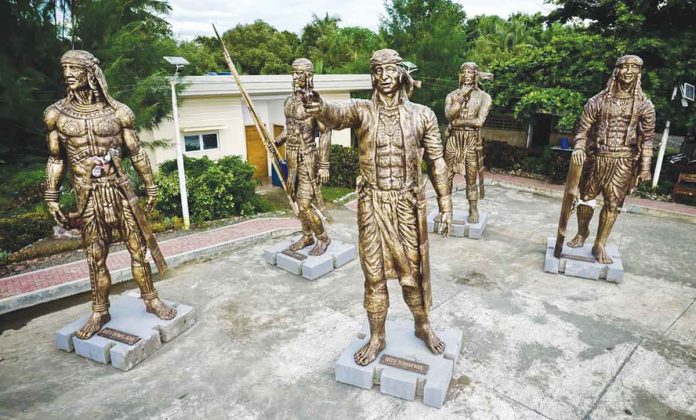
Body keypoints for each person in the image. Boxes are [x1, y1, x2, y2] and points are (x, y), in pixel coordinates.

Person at [303, 49, 452, 366]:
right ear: (372, 76)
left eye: (390, 69)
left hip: (406, 206)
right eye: (377, 70)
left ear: (401, 73)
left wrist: (446, 203)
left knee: (412, 275)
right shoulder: (362, 110)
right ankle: (377, 336)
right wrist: (320, 107)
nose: (384, 76)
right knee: (374, 277)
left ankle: (422, 324)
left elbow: (437, 160)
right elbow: (335, 114)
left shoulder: (423, 115)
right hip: (372, 204)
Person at [44, 50, 176, 339]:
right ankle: (99, 310)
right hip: (87, 195)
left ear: (91, 73)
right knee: (95, 256)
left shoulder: (119, 112)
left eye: (74, 69)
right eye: (64, 68)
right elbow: (56, 159)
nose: (68, 74)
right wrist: (51, 195)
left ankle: (151, 299)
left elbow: (137, 152)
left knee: (137, 251)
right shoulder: (56, 115)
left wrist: (150, 185)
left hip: (120, 190)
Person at [568, 55, 656, 263]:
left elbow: (648, 139)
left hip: (623, 160)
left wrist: (645, 167)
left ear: (638, 73)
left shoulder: (645, 106)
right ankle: (582, 233)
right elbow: (582, 131)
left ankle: (600, 244)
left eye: (633, 67)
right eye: (624, 67)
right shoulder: (597, 101)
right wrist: (579, 148)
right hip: (598, 157)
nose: (627, 71)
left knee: (612, 204)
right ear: (616, 71)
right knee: (586, 198)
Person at [275, 58, 332, 255]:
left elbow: (325, 132)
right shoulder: (289, 101)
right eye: (293, 72)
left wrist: (324, 165)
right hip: (291, 157)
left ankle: (323, 238)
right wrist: (278, 141)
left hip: (308, 158)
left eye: (299, 73)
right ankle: (307, 235)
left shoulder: (315, 103)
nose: (294, 77)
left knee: (305, 205)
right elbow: (290, 128)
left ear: (308, 76)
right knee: (294, 199)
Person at [444, 62, 492, 223]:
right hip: (453, 140)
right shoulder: (452, 95)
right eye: (463, 72)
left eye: (470, 72)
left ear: (476, 75)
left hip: (471, 140)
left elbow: (479, 121)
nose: (466, 75)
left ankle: (473, 209)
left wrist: (458, 123)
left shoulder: (484, 97)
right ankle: (445, 209)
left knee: (471, 178)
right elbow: (449, 116)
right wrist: (460, 99)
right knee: (446, 176)